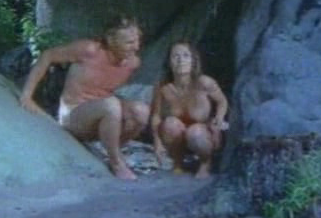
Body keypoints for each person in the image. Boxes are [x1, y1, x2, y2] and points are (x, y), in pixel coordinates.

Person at [20, 16, 150, 180]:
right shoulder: (89, 50)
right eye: (129, 43)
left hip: (102, 117)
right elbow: (48, 56)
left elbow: (103, 87)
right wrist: (27, 96)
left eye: (137, 41)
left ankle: (112, 150)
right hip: (73, 116)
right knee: (111, 105)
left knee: (141, 111)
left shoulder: (133, 63)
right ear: (111, 40)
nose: (136, 47)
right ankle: (117, 163)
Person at [151, 42, 229, 179]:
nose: (180, 60)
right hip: (178, 134)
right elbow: (156, 116)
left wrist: (218, 121)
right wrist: (157, 143)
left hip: (203, 134)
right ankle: (178, 162)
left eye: (186, 56)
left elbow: (222, 102)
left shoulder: (204, 82)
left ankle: (205, 163)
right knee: (169, 123)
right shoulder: (163, 87)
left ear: (193, 61)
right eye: (175, 56)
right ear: (169, 62)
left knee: (195, 132)